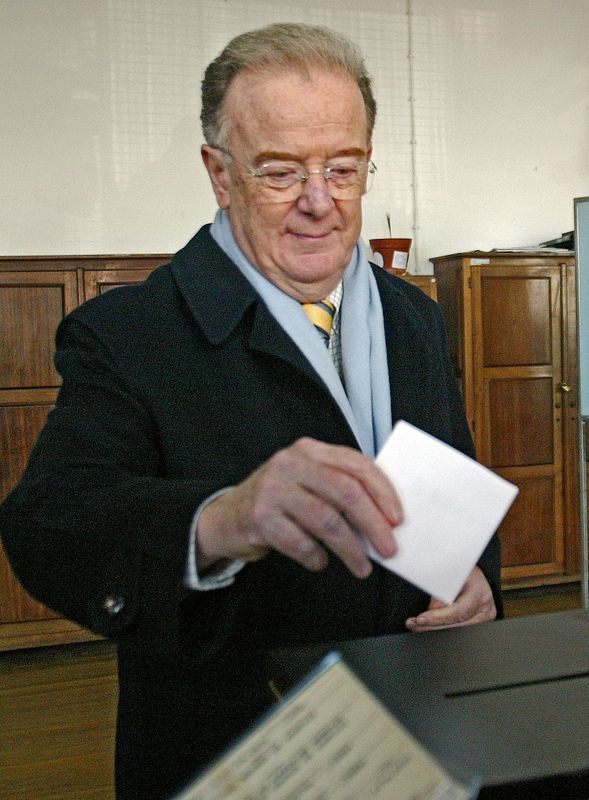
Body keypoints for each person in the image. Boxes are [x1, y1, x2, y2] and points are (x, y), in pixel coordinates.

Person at [0, 22, 502, 800]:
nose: (318, 203)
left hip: (418, 737)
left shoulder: (415, 318)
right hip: (238, 755)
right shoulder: (129, 333)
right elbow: (49, 523)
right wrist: (219, 518)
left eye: (342, 168)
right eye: (279, 173)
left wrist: (477, 580)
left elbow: (452, 486)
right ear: (219, 173)